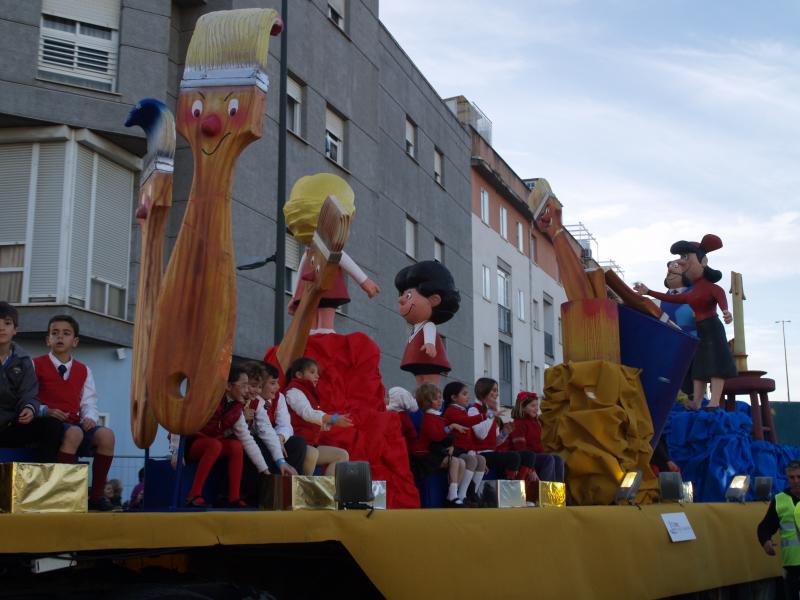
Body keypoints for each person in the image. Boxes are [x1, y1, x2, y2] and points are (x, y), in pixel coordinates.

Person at [634, 234, 736, 409]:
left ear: (703, 262)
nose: (680, 262)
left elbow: (720, 297)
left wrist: (726, 312)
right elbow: (673, 300)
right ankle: (696, 401)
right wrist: (648, 291)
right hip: (698, 333)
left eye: (685, 257)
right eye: (681, 258)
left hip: (712, 327)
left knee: (716, 363)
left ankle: (714, 401)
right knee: (699, 366)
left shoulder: (710, 287)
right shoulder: (690, 293)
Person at [33, 315, 117, 511]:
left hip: (74, 422)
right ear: (48, 340)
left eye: (66, 333)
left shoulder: (84, 370)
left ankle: (96, 496)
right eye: (55, 333)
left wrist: (90, 418)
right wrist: (45, 411)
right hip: (49, 423)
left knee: (107, 435)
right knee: (74, 433)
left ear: (75, 341)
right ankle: (62, 494)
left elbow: (89, 401)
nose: (60, 337)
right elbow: (28, 397)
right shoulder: (35, 364)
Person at [284, 173, 380, 332]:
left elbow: (304, 267)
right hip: (324, 281)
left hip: (315, 282)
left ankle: (319, 333)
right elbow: (340, 257)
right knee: (321, 314)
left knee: (319, 314)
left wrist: (295, 296)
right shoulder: (321, 248)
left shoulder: (315, 248)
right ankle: (321, 333)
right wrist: (364, 281)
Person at [171, 364, 254, 508]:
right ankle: (194, 494)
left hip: (213, 442)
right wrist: (175, 451)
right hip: (190, 443)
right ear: (228, 386)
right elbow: (178, 422)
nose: (248, 390)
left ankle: (233, 497)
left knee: (236, 446)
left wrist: (266, 469)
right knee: (214, 445)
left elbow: (245, 437)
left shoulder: (236, 405)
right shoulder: (205, 399)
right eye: (244, 385)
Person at [0, 302, 62, 462]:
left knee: (52, 427)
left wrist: (29, 408)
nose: (1, 328)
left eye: (7, 323)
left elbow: (29, 394)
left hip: (10, 425)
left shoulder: (23, 360)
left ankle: (43, 483)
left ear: (15, 330)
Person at [394, 260, 461, 387]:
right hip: (419, 357)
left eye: (408, 295)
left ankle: (429, 399)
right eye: (402, 294)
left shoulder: (428, 325)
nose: (401, 299)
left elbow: (430, 330)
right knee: (419, 380)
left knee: (429, 381)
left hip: (429, 358)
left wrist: (429, 343)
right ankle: (421, 398)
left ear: (434, 300)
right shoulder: (416, 327)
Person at [283, 357, 352, 475]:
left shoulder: (308, 393)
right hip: (294, 445)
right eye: (312, 372)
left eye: (317, 373)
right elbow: (307, 413)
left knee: (342, 455)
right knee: (312, 453)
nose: (317, 376)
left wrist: (324, 425)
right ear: (299, 374)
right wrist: (333, 418)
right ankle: (305, 491)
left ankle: (326, 492)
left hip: (309, 444)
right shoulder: (293, 391)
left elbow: (309, 420)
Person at [408, 382, 469, 507]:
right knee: (455, 461)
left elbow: (444, 436)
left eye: (440, 397)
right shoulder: (429, 417)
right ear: (427, 401)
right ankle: (452, 496)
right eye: (436, 398)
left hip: (434, 451)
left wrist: (451, 442)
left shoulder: (437, 416)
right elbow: (436, 436)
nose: (440, 401)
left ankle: (454, 494)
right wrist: (451, 427)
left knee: (462, 462)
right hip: (424, 455)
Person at [241, 361, 306, 475]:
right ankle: (264, 485)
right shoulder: (252, 400)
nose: (278, 386)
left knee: (298, 443)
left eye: (277, 382)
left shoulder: (278, 398)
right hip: (253, 439)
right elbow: (263, 430)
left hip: (272, 438)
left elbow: (285, 425)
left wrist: (280, 438)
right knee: (257, 445)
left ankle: (288, 482)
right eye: (272, 383)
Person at [757, 460, 800, 599]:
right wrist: (766, 541)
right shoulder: (780, 500)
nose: (796, 481)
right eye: (792, 477)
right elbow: (764, 527)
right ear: (787, 478)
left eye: (799, 477)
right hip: (792, 565)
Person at [442, 381, 488, 505]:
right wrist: (484, 416)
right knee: (472, 460)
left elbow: (469, 437)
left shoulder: (462, 410)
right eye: (464, 394)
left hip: (464, 450)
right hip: (455, 449)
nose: (467, 397)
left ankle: (473, 493)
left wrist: (472, 450)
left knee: (482, 460)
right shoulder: (451, 411)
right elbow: (465, 421)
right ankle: (462, 495)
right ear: (453, 397)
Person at [470, 378, 524, 481]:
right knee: (513, 457)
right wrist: (491, 415)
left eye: (497, 391)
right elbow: (481, 434)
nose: (497, 394)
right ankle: (508, 488)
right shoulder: (474, 410)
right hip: (480, 454)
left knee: (526, 457)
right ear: (484, 391)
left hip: (491, 453)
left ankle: (507, 486)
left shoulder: (492, 413)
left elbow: (495, 442)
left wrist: (504, 433)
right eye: (494, 390)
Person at [510, 391, 565, 483]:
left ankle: (557, 492)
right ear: (522, 407)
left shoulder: (536, 423)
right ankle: (545, 492)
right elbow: (521, 449)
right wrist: (531, 469)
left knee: (558, 459)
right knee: (548, 459)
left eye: (537, 406)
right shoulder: (519, 424)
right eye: (532, 406)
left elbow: (538, 447)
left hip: (536, 456)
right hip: (525, 458)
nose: (536, 409)